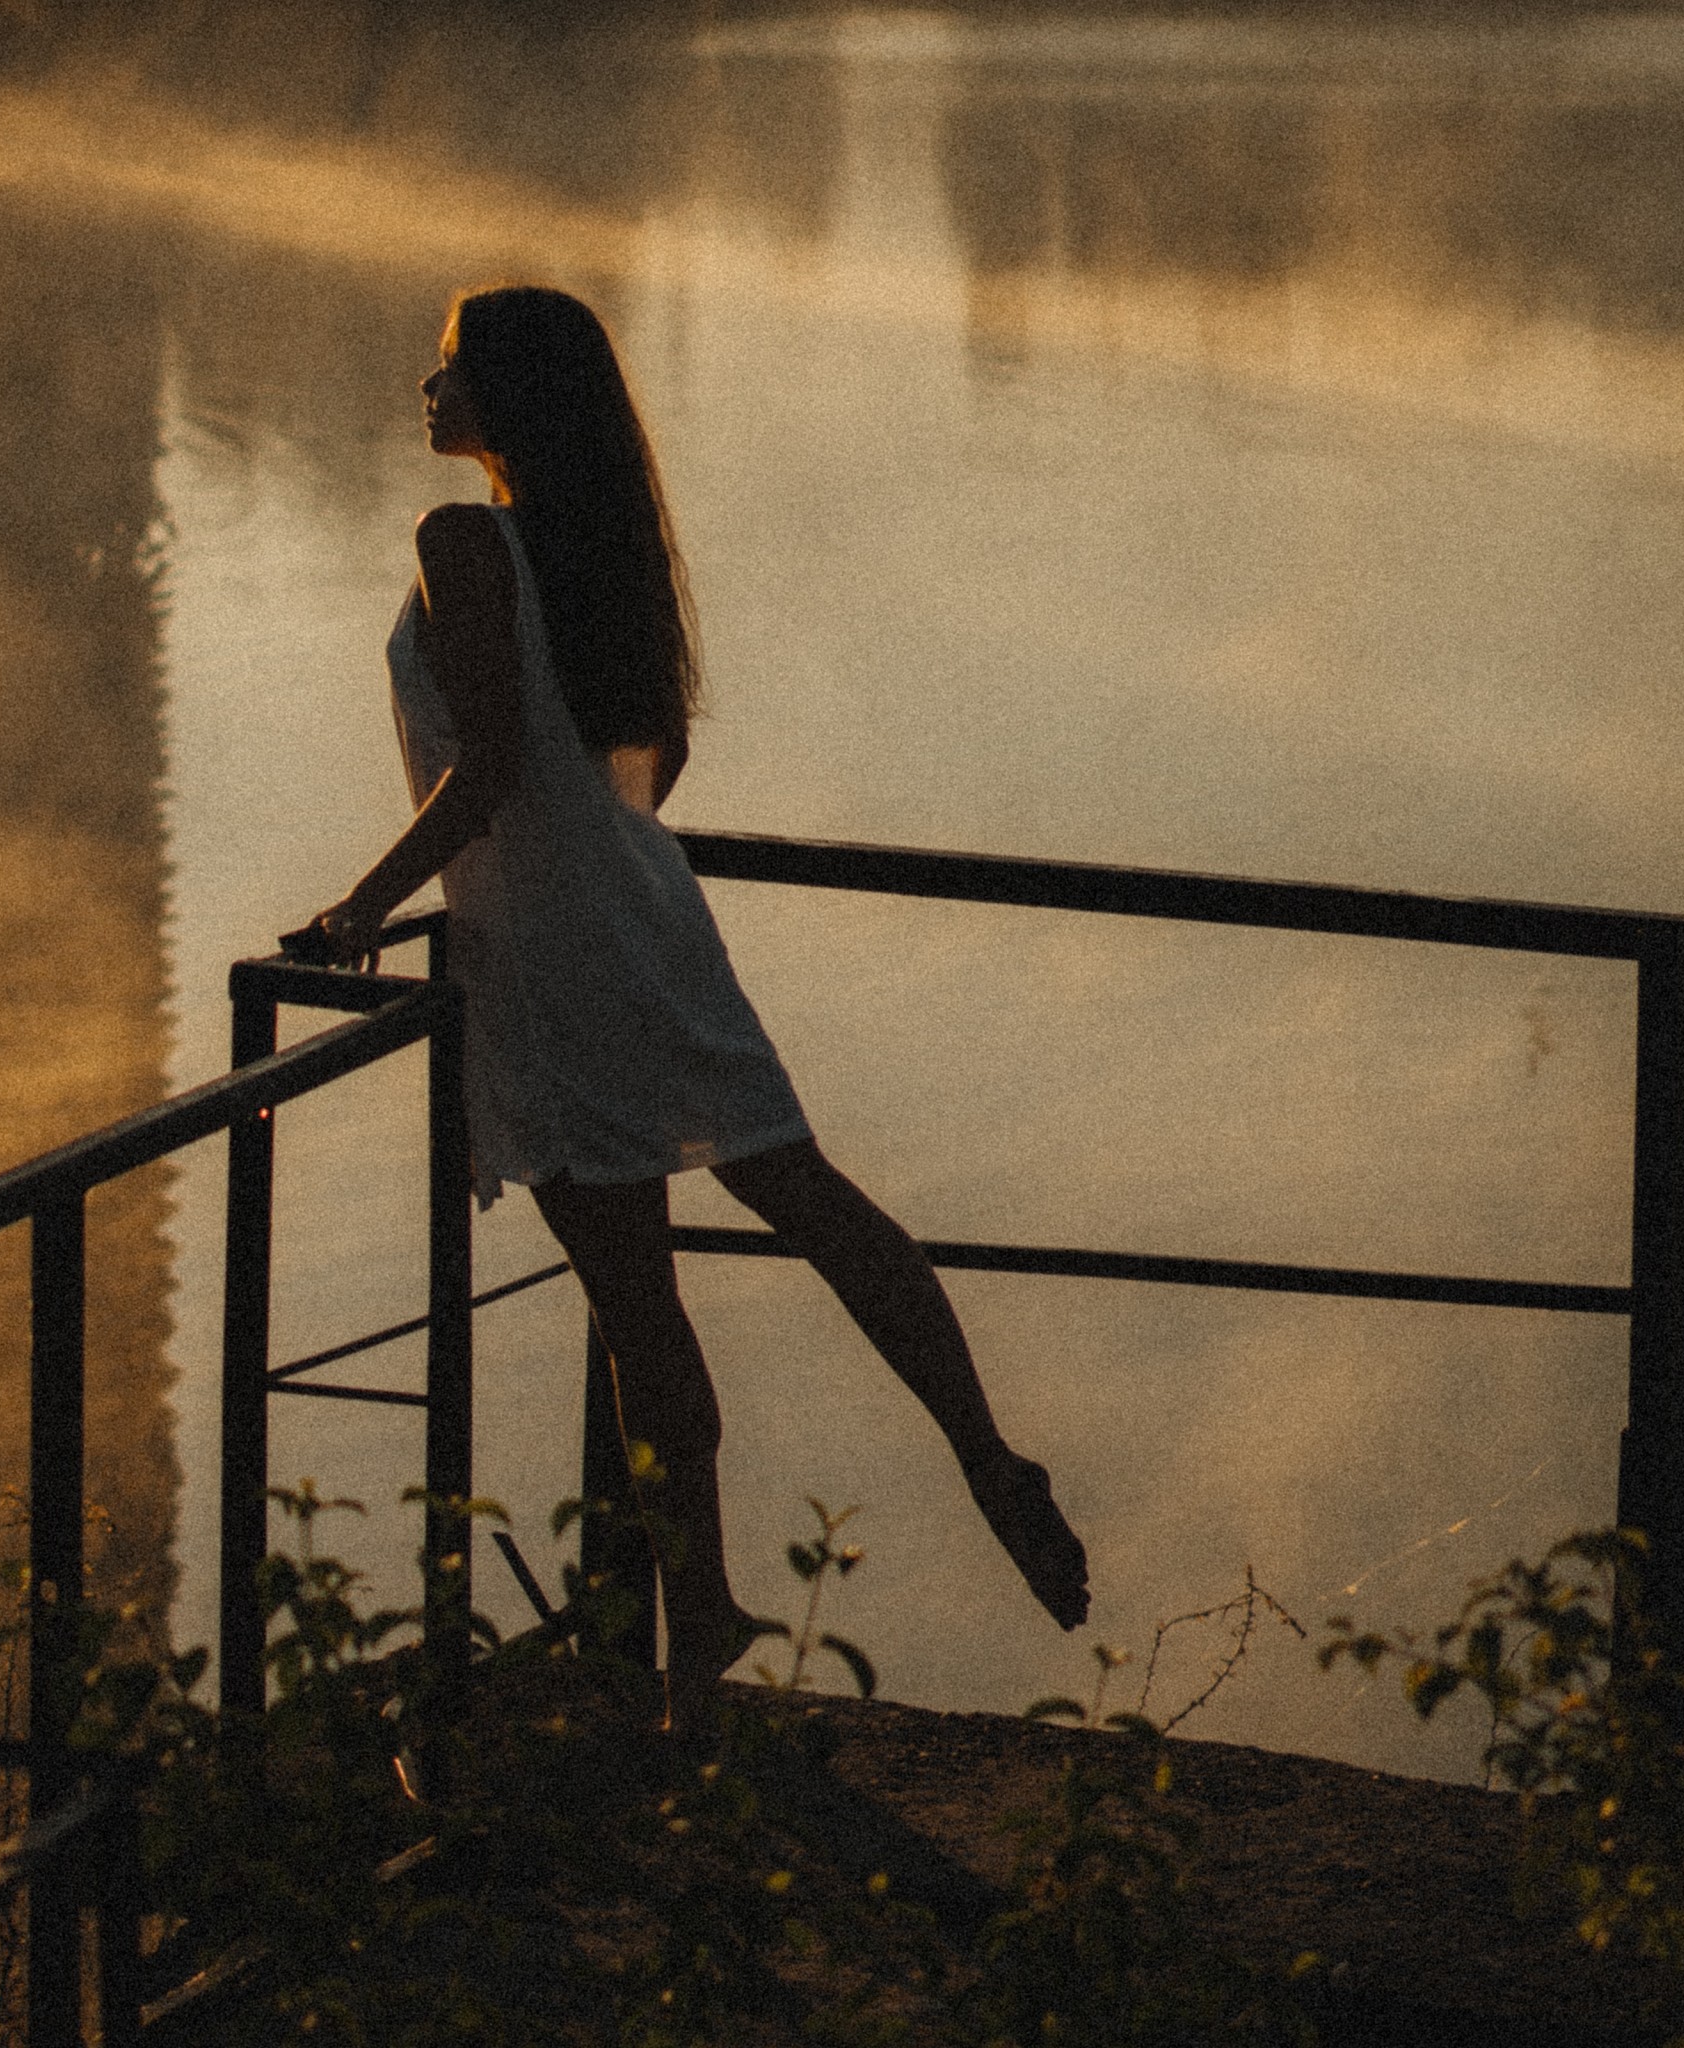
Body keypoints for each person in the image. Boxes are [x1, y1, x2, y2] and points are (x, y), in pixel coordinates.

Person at [286, 284, 1087, 1728]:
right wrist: (600, 853)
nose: (426, 384)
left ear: (511, 399)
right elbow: (650, 760)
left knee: (635, 1300)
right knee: (811, 1197)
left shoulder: (462, 540)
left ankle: (703, 1613)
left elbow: (491, 772)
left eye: (453, 366)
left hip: (549, 958)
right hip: (650, 919)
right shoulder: (601, 549)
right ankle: (981, 1450)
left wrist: (362, 909)